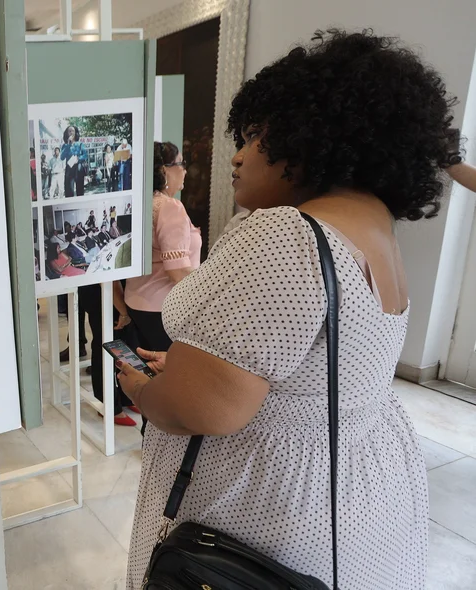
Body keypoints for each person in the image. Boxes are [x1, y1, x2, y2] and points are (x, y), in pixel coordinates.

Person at [116, 30, 442, 589]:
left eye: (255, 136)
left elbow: (205, 411)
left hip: (266, 500)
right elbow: (303, 366)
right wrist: (202, 369)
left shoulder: (284, 234)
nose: (237, 156)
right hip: (358, 483)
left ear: (312, 134)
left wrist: (145, 393)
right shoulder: (377, 229)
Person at [113, 141, 202, 427]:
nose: (185, 171)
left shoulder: (139, 203)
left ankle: (152, 433)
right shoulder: (170, 208)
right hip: (164, 307)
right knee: (169, 380)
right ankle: (160, 437)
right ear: (164, 170)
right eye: (181, 164)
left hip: (137, 301)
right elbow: (177, 272)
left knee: (151, 375)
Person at [60, 124, 87, 198]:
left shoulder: (80, 144)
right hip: (69, 168)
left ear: (75, 133)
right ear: (67, 133)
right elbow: (62, 157)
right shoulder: (65, 146)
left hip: (79, 168)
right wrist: (68, 145)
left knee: (80, 190)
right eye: (69, 131)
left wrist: (78, 159)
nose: (71, 132)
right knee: (69, 191)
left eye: (72, 131)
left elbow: (85, 155)